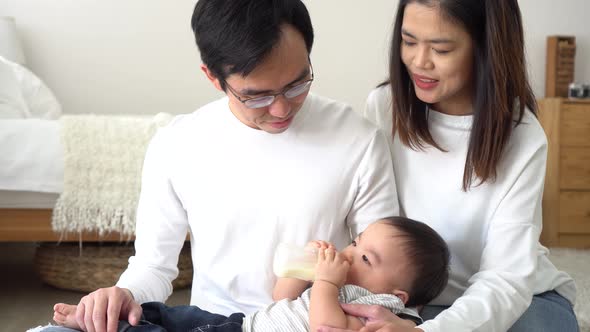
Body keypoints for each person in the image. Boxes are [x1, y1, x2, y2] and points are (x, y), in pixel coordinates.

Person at [37, 1, 411, 332]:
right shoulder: (177, 145)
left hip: (310, 323)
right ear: (212, 77)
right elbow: (154, 267)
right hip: (209, 323)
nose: (281, 109)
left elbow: (383, 265)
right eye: (257, 95)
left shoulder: (358, 139)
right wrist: (122, 294)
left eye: (297, 85)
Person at [319, 1, 578, 332]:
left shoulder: (523, 138)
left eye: (440, 49)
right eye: (409, 41)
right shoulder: (384, 107)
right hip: (405, 298)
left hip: (511, 302)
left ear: (486, 49)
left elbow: (506, 279)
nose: (418, 61)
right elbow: (371, 224)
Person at [52, 217, 450, 332]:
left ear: (397, 295)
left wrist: (327, 282)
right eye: (355, 241)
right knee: (173, 314)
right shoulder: (343, 285)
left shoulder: (380, 311)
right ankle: (107, 318)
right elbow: (282, 297)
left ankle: (118, 327)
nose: (348, 253)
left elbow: (327, 328)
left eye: (365, 258)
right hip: (243, 323)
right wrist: (305, 267)